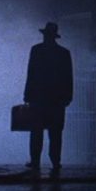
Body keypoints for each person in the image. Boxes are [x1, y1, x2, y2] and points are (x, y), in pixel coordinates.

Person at [23, 22, 73, 172]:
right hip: (56, 99)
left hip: (39, 97)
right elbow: (68, 77)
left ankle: (35, 160)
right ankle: (55, 161)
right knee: (55, 132)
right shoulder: (63, 53)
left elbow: (31, 74)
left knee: (36, 131)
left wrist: (27, 94)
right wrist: (68, 96)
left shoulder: (36, 50)